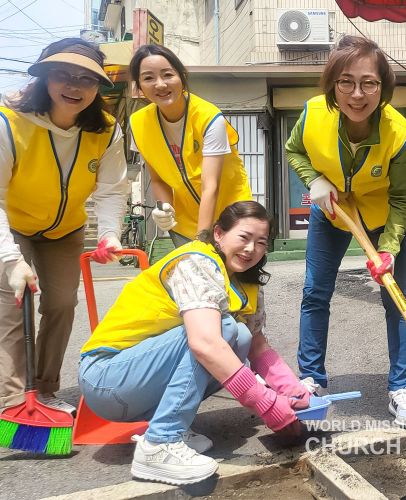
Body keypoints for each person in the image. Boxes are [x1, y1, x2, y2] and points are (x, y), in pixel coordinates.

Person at [79, 201, 310, 485]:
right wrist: (268, 405)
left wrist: (292, 391)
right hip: (107, 378)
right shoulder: (196, 263)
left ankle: (169, 423)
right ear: (218, 234)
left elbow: (257, 345)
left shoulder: (245, 281)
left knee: (241, 336)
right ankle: (160, 442)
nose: (251, 249)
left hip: (137, 385)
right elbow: (205, 344)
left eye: (261, 242)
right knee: (221, 332)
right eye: (243, 237)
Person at [285, 35, 406, 428]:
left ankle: (401, 387)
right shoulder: (312, 115)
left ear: (383, 86)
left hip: (381, 219)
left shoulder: (401, 134)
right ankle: (311, 380)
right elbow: (295, 151)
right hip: (331, 213)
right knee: (315, 292)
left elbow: (401, 198)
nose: (357, 94)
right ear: (332, 84)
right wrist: (314, 180)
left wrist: (390, 248)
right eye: (346, 82)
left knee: (397, 297)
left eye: (369, 83)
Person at [0, 38, 127, 413]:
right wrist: (10, 259)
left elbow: (111, 189)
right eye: (62, 75)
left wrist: (109, 233)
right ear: (44, 78)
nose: (74, 86)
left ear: (97, 87)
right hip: (14, 225)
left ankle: (44, 390)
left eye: (86, 79)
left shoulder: (105, 129)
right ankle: (11, 402)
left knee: (61, 304)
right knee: (14, 303)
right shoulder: (9, 122)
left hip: (65, 230)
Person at [128, 44, 252, 247]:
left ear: (182, 76)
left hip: (233, 218)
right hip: (184, 225)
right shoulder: (138, 124)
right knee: (194, 279)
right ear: (139, 87)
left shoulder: (209, 117)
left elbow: (210, 185)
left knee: (237, 279)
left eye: (167, 75)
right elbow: (158, 180)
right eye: (148, 78)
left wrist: (202, 239)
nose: (160, 84)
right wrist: (165, 209)